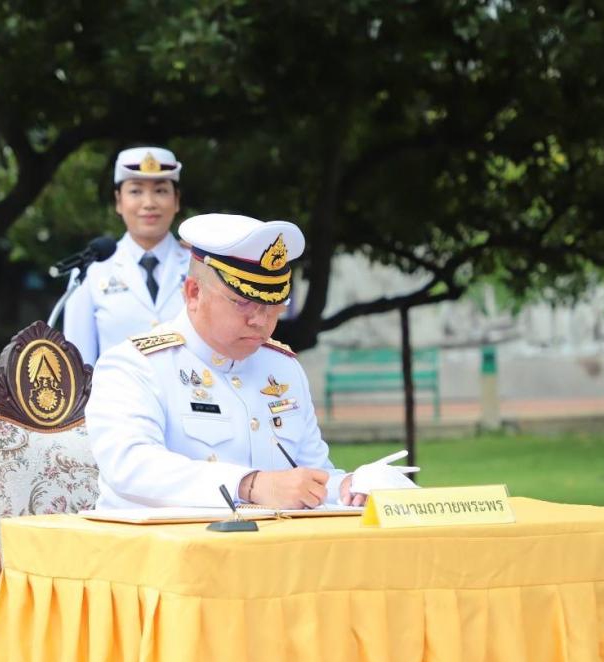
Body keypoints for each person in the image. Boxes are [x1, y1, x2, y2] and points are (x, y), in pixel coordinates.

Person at [87, 213, 380, 510]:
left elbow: (312, 475)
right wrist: (248, 485)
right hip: (162, 538)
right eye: (243, 302)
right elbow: (130, 466)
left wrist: (349, 487)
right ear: (193, 293)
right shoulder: (134, 365)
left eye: (273, 306)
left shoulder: (283, 368)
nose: (260, 321)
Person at [62, 146, 191, 365]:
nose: (149, 203)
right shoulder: (91, 270)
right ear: (119, 201)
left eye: (160, 191)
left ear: (176, 200)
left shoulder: (201, 266)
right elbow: (78, 364)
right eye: (136, 191)